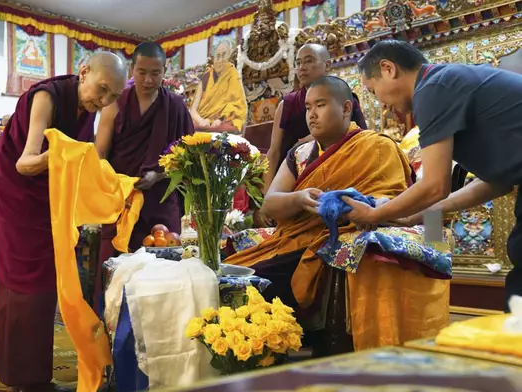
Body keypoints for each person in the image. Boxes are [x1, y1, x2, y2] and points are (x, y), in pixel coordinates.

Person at [224, 76, 450, 354]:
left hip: (330, 243)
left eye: (320, 105)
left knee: (259, 280)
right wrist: (298, 198)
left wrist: (355, 207)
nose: (312, 115)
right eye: (308, 107)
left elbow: (393, 202)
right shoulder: (300, 153)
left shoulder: (378, 147)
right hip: (292, 240)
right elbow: (271, 204)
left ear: (345, 108)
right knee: (228, 272)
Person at [343, 40, 522, 312]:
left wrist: (374, 215)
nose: (382, 105)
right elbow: (496, 182)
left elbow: (434, 186)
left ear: (388, 69)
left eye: (373, 90)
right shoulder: (444, 84)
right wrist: (417, 215)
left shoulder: (432, 90)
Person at [0, 52, 127, 392]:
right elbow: (26, 162)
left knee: (42, 287)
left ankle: (28, 376)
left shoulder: (84, 106)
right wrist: (73, 153)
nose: (104, 100)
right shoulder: (46, 97)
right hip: (16, 200)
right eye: (102, 89)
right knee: (25, 287)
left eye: (112, 97)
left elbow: (72, 158)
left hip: (45, 201)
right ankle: (26, 380)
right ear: (84, 72)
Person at [96, 42, 194, 272]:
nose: (148, 80)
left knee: (164, 268)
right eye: (142, 72)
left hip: (160, 201)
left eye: (155, 73)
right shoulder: (116, 103)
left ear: (165, 71)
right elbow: (99, 153)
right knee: (117, 268)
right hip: (122, 201)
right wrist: (115, 185)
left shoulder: (176, 106)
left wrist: (157, 177)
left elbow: (187, 159)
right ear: (132, 69)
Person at [263, 44, 367, 192]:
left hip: (339, 179)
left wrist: (314, 139)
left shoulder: (344, 99)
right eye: (298, 63)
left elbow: (360, 140)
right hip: (292, 182)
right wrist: (267, 194)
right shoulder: (287, 104)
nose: (302, 67)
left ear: (328, 65)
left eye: (309, 61)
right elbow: (274, 152)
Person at [190, 40, 247, 133]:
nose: (220, 60)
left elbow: (237, 105)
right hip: (202, 122)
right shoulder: (206, 76)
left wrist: (220, 119)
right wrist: (201, 121)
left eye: (224, 55)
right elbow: (193, 109)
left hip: (224, 120)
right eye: (217, 56)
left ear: (229, 57)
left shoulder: (232, 74)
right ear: (213, 58)